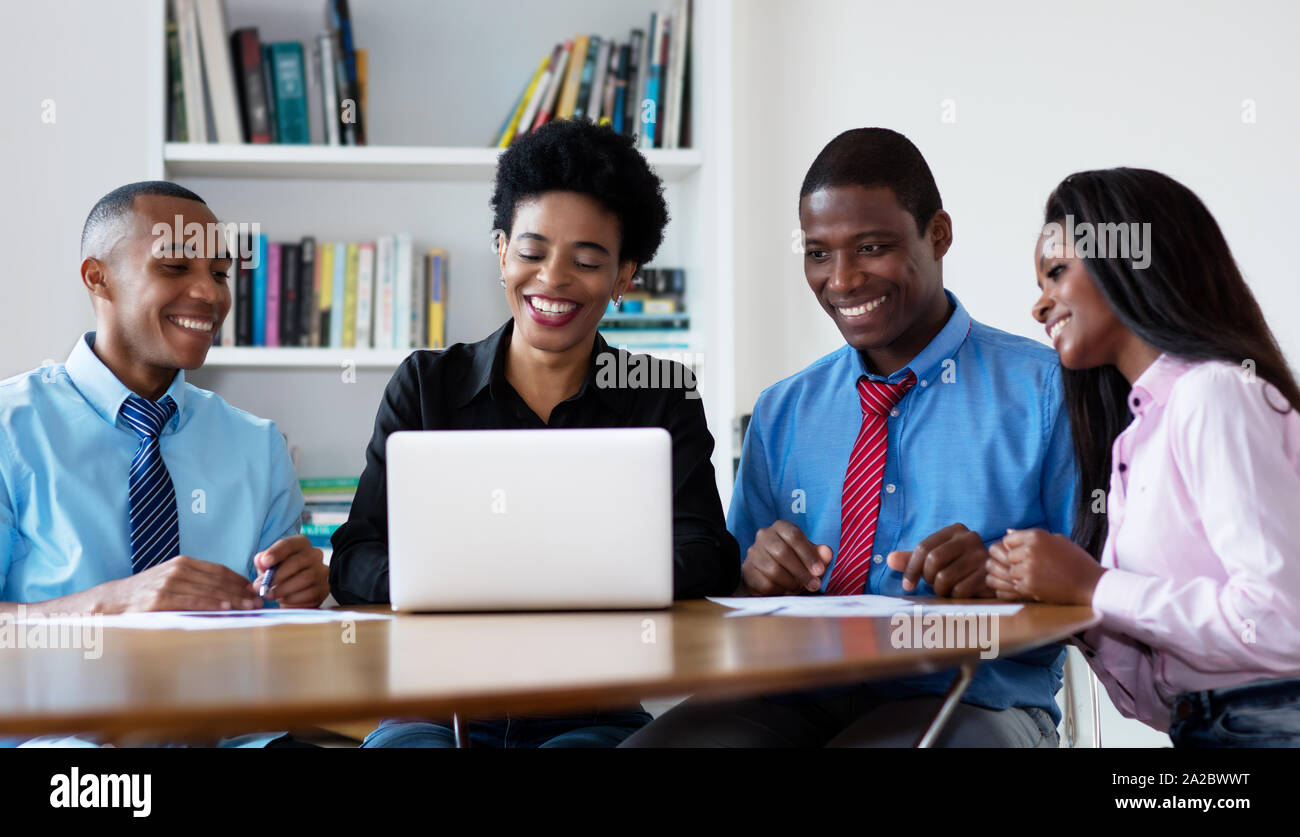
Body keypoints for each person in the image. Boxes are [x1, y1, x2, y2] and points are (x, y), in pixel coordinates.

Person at [623, 128, 1074, 748]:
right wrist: (753, 577)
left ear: (938, 235)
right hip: (787, 699)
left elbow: (1102, 594)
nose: (842, 280)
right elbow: (727, 606)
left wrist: (1000, 576)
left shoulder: (1047, 391)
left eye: (870, 247)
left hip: (970, 699)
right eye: (818, 253)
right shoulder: (783, 410)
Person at [329, 119, 740, 748]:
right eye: (531, 252)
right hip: (437, 708)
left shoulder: (661, 395)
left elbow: (708, 551)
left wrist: (553, 579)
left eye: (586, 260)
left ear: (625, 276)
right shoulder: (425, 385)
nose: (551, 279)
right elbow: (355, 557)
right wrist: (461, 584)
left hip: (595, 710)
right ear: (501, 253)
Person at [0, 181, 329, 747]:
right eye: (176, 267)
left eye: (221, 274)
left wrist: (301, 592)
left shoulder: (258, 445)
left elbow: (279, 651)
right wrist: (113, 603)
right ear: (96, 277)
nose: (209, 293)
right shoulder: (10, 429)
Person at [986, 167, 1300, 746]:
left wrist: (1094, 588)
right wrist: (1061, 598)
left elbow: (1282, 623)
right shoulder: (1135, 438)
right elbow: (1160, 703)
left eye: (1056, 272)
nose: (1039, 305)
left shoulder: (1213, 395)